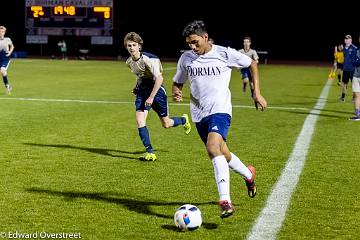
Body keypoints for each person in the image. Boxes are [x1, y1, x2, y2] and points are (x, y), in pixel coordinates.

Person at [172, 20, 267, 218]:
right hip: (199, 114)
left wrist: (256, 93)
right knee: (223, 153)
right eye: (189, 43)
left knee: (213, 148)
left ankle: (225, 201)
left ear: (205, 38)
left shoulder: (224, 53)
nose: (192, 46)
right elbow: (178, 81)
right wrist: (177, 91)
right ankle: (249, 175)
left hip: (221, 110)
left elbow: (252, 64)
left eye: (196, 42)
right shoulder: (186, 58)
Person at [123, 32, 191, 161]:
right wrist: (137, 87)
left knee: (166, 124)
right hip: (143, 92)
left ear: (139, 46)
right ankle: (150, 152)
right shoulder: (129, 62)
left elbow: (159, 78)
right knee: (140, 120)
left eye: (134, 45)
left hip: (157, 91)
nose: (131, 47)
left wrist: (151, 97)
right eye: (129, 45)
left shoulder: (150, 59)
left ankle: (183, 120)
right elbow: (140, 76)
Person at [339, 34, 357, 102]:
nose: (346, 40)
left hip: (352, 69)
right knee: (344, 84)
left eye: (348, 39)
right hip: (345, 69)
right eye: (345, 39)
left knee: (354, 84)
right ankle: (343, 97)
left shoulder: (354, 48)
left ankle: (354, 97)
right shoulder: (343, 48)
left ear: (351, 40)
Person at [0, 25, 14, 95]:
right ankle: (8, 86)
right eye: (0, 32)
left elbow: (12, 46)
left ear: (4, 32)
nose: (1, 33)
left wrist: (9, 53)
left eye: (2, 31)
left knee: (2, 70)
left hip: (5, 58)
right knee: (3, 73)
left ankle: (7, 86)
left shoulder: (7, 39)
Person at [349, 36, 360, 121]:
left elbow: (356, 61)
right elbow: (352, 61)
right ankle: (357, 114)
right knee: (356, 95)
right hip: (356, 75)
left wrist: (356, 61)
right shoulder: (356, 49)